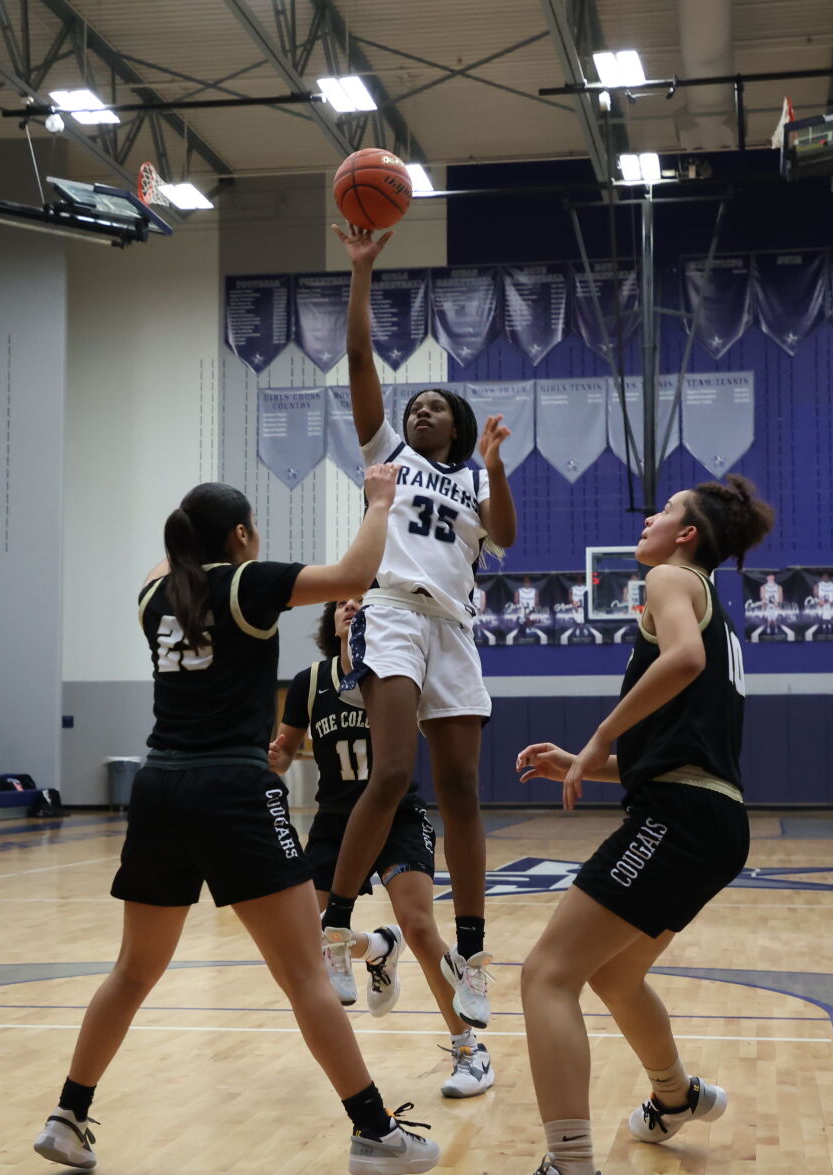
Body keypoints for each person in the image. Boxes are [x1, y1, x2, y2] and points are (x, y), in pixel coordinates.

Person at [31, 467, 440, 1175]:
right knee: (306, 973)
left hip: (159, 789)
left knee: (131, 970)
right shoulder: (248, 584)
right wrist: (378, 501)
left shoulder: (155, 595)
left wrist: (189, 527)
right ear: (242, 534)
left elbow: (170, 558)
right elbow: (354, 574)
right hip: (232, 789)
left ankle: (67, 1116)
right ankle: (375, 1132)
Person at [513, 476, 772, 1175]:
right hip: (714, 817)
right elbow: (676, 750)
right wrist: (586, 763)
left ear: (686, 534)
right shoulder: (706, 600)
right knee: (615, 974)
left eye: (664, 510)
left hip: (679, 817)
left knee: (546, 975)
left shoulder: (669, 578)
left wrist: (598, 736)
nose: (649, 518)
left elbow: (683, 660)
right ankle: (675, 1096)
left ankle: (570, 1164)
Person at [322, 222, 517, 1032]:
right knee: (394, 769)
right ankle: (335, 926)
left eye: (434, 405)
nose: (420, 409)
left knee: (463, 791)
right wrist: (361, 272)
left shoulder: (475, 481)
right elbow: (359, 359)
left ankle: (471, 954)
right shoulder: (388, 454)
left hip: (454, 627)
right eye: (415, 406)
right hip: (393, 610)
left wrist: (496, 467)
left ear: (458, 427)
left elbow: (505, 538)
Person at [270, 600, 496, 1099]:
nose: (351, 606)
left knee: (419, 926)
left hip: (398, 817)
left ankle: (469, 1049)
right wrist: (276, 756)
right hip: (335, 823)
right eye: (342, 603)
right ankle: (376, 947)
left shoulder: (401, 670)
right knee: (305, 939)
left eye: (362, 600)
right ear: (330, 621)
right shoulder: (310, 682)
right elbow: (285, 751)